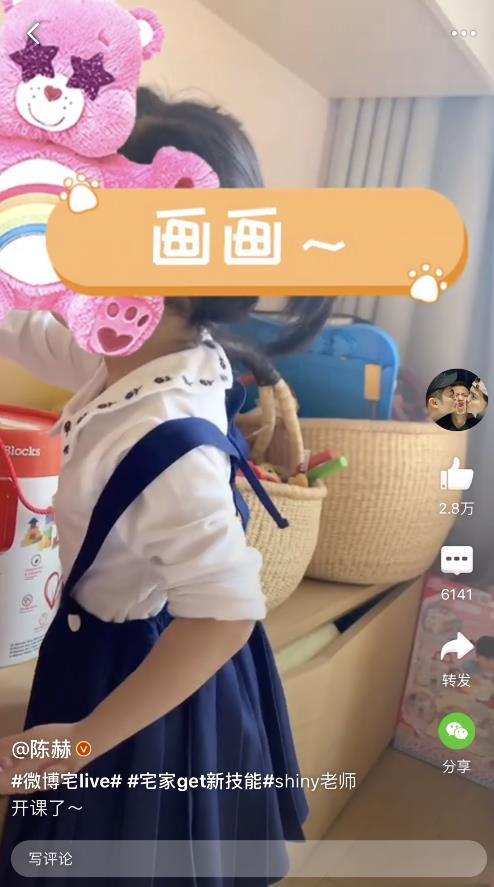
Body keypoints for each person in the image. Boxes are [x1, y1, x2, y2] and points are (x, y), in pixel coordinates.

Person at [0, 91, 334, 886]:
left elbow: (223, 617)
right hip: (104, 647)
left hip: (137, 683)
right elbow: (36, 337)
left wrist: (79, 741)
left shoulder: (165, 433)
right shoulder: (137, 354)